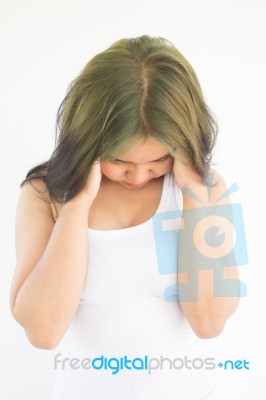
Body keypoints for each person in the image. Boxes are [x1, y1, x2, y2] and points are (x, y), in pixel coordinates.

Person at [10, 35, 241, 399]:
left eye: (157, 161)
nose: (138, 176)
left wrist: (195, 197)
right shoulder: (44, 195)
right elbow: (42, 332)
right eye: (120, 161)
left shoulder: (207, 190)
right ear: (86, 139)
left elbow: (209, 323)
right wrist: (76, 205)